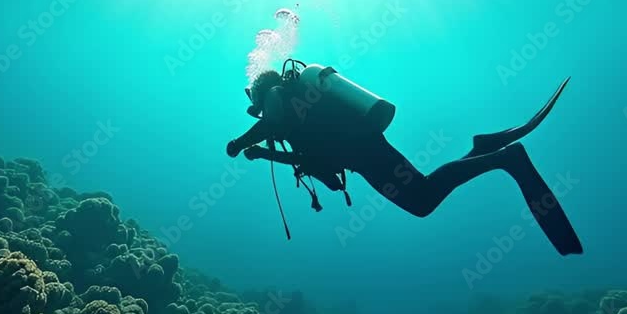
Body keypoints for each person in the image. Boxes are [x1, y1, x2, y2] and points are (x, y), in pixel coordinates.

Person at [226, 61, 583, 255]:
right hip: (365, 148)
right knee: (424, 192)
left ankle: (507, 159)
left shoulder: (275, 98)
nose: (257, 113)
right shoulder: (292, 111)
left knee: (423, 201)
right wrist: (264, 154)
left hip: (364, 154)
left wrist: (240, 143)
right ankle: (482, 148)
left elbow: (272, 125)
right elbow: (318, 164)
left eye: (255, 106)